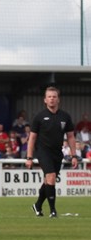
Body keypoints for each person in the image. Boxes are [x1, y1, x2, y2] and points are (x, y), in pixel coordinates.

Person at [26, 86, 79, 218]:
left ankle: (37, 205)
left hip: (57, 152)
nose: (52, 99)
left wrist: (74, 155)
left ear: (58, 99)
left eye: (54, 97)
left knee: (48, 181)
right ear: (45, 100)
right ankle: (53, 210)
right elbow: (32, 138)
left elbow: (71, 137)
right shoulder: (39, 117)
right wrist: (29, 157)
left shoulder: (65, 117)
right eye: (49, 97)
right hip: (43, 151)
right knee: (51, 177)